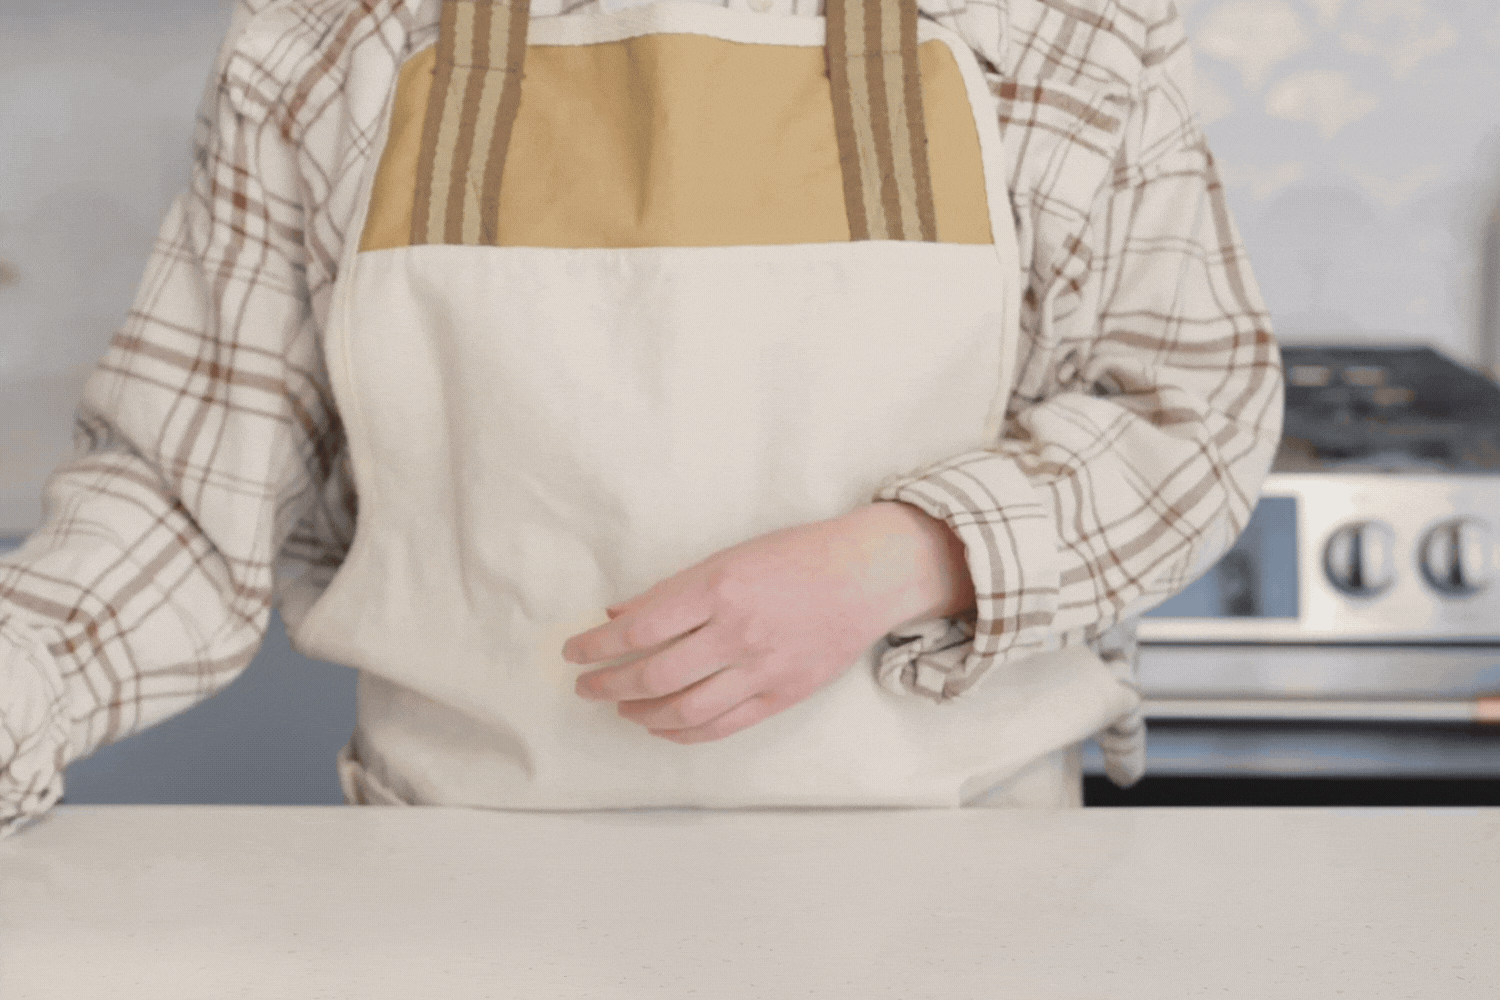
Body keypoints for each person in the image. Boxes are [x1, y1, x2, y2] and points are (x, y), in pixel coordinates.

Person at [0, 0, 1282, 836]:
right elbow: (180, 501)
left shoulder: (1061, 30)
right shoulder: (334, 43)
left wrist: (909, 552)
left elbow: (1191, 413)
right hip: (458, 898)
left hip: (958, 890)